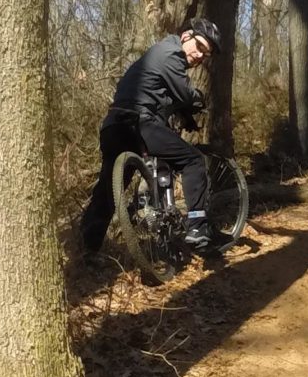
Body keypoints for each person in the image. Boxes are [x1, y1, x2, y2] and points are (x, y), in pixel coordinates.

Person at [78, 20, 223, 261]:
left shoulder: (156, 54)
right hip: (139, 125)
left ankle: (87, 248)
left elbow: (162, 94)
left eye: (205, 54)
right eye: (198, 46)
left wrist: (182, 114)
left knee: (109, 190)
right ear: (186, 36)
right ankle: (198, 227)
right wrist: (199, 101)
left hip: (113, 125)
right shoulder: (171, 54)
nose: (199, 55)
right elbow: (186, 95)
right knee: (193, 160)